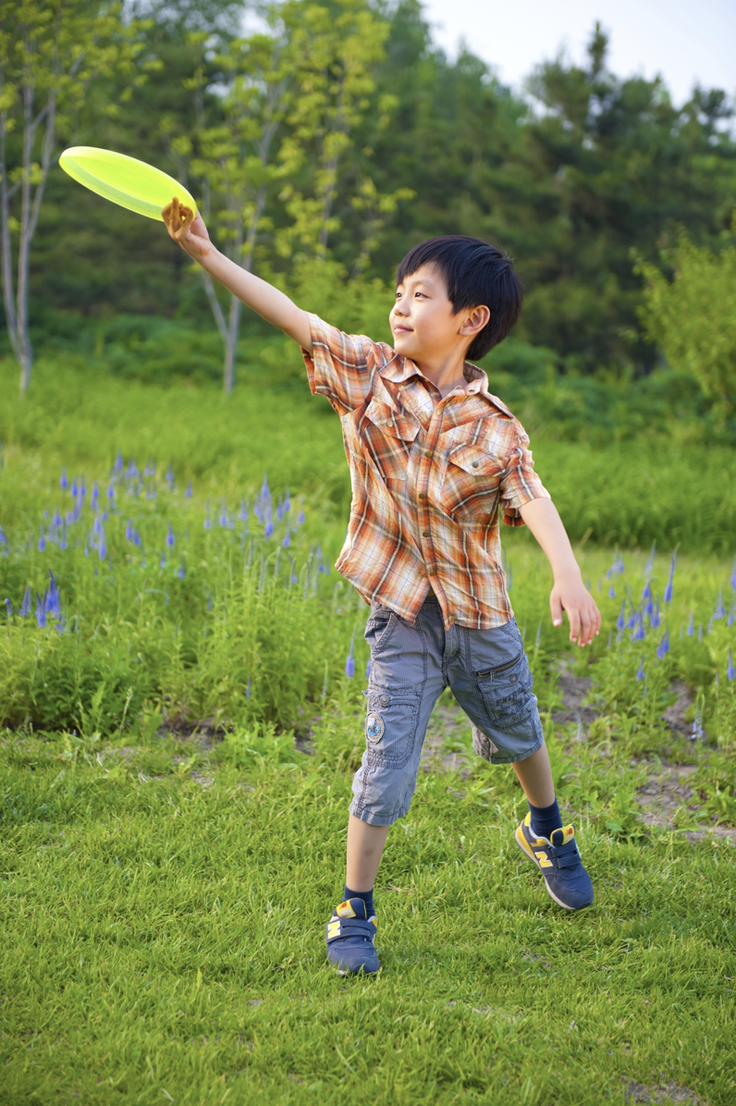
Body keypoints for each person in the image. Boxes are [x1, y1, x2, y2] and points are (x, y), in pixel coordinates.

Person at [162, 199, 602, 976]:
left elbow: (530, 495)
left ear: (472, 318)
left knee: (520, 730)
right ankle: (353, 908)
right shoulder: (367, 375)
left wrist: (566, 574)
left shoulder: (497, 426)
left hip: (480, 615)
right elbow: (296, 318)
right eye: (398, 291)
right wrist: (207, 254)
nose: (400, 304)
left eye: (420, 293)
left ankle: (547, 826)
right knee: (386, 761)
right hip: (400, 613)